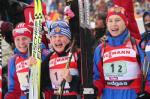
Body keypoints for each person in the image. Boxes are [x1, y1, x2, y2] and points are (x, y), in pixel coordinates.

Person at [93, 5, 150, 99]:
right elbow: (98, 78)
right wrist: (95, 89)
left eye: (117, 20)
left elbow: (148, 74)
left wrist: (147, 92)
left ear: (125, 22)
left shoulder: (138, 45)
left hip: (132, 95)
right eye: (110, 21)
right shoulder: (100, 49)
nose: (113, 24)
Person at [41, 20, 81, 99]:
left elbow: (87, 86)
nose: (57, 39)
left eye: (61, 36)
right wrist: (32, 68)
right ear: (51, 40)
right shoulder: (49, 58)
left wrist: (71, 79)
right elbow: (41, 84)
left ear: (69, 38)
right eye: (54, 36)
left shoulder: (77, 55)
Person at [4, 22, 37, 99]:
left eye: (24, 38)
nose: (21, 43)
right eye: (17, 39)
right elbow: (13, 90)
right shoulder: (13, 60)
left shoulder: (43, 54)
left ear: (31, 39)